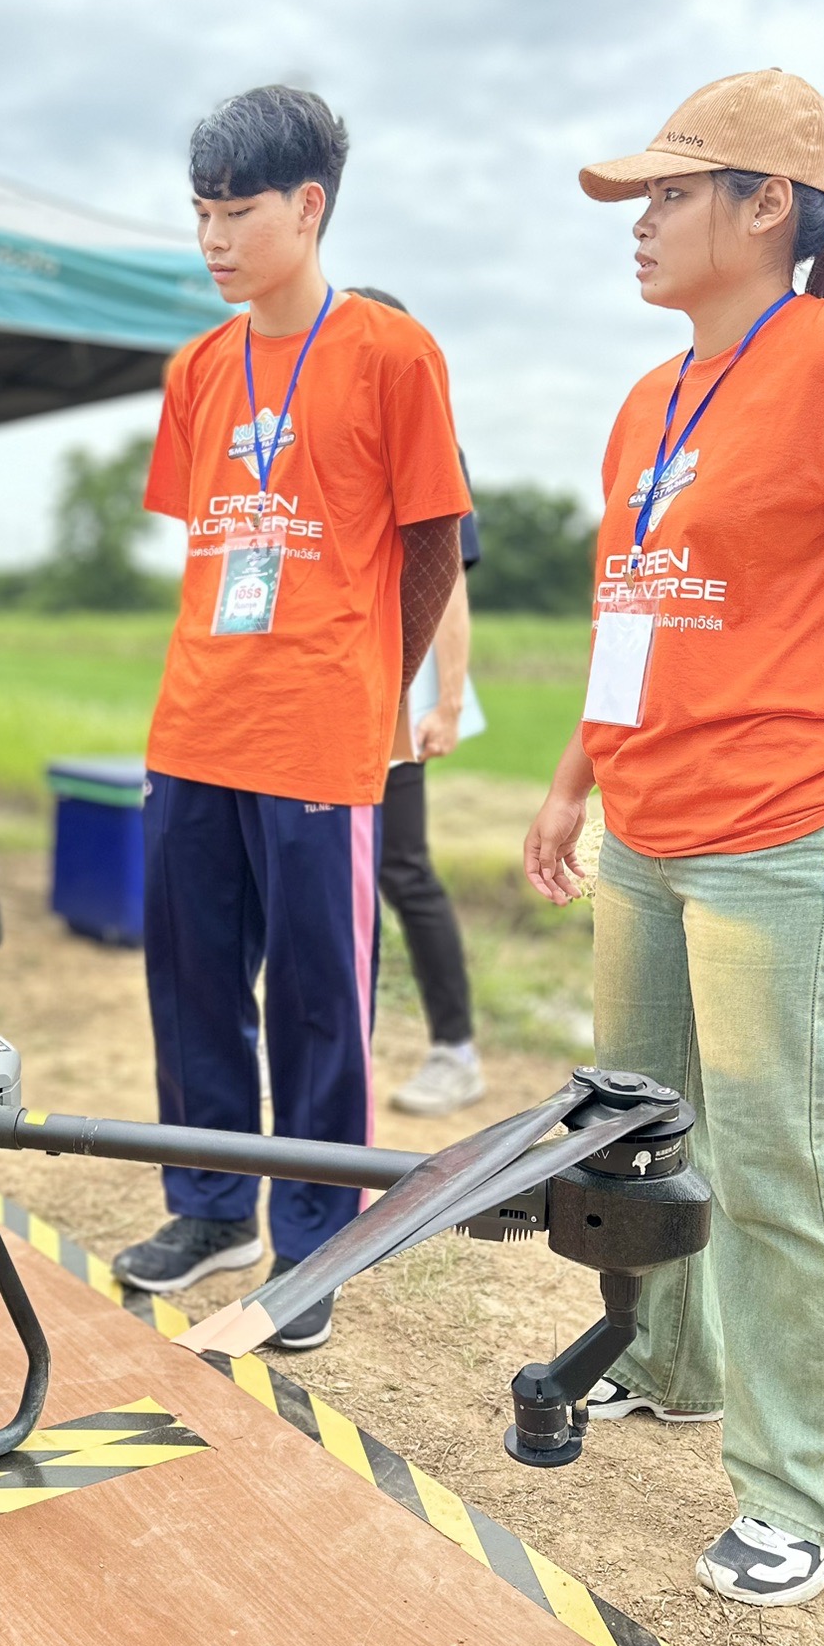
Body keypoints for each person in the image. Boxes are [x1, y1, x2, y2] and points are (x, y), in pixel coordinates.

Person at [524, 67, 824, 1608]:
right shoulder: (653, 395)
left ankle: (812, 1493)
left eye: (667, 193)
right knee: (638, 1127)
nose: (636, 223)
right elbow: (635, 615)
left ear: (769, 207)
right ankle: (672, 1364)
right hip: (652, 823)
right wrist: (574, 774)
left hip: (784, 839)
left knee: (785, 1166)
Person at [112, 87, 470, 1345]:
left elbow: (432, 539)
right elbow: (212, 546)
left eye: (235, 211)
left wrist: (383, 681)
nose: (211, 237)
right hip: (196, 721)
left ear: (306, 206)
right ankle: (208, 1207)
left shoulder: (388, 351)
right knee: (194, 983)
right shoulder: (198, 367)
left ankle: (313, 1244)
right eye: (198, 212)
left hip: (322, 723)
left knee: (322, 996)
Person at [348, 289, 488, 1117]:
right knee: (341, 870)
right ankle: (344, 1044)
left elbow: (451, 590)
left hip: (400, 692)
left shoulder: (432, 439)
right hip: (334, 691)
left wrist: (448, 701)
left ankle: (455, 1049)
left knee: (399, 865)